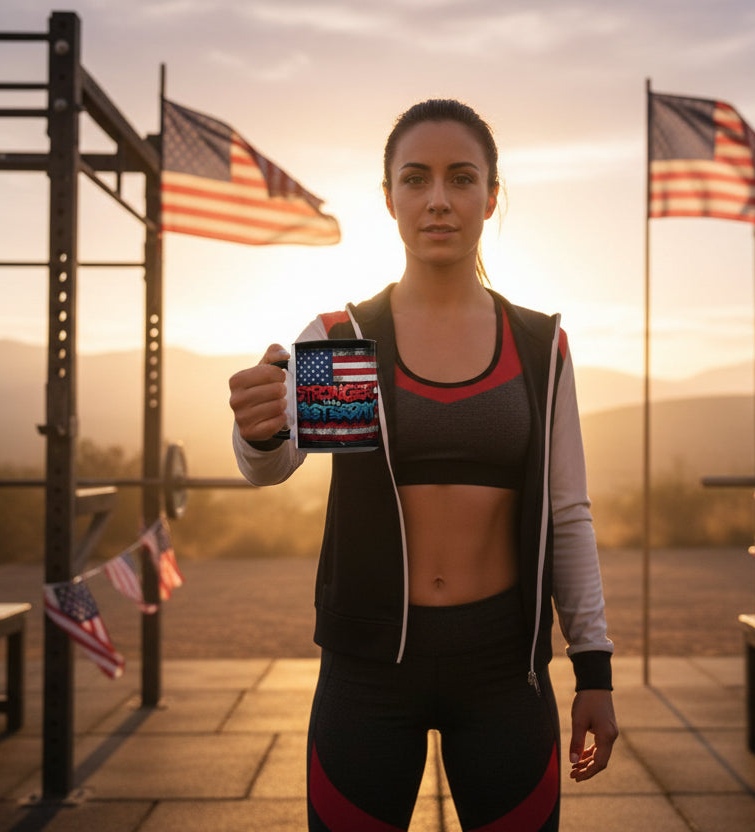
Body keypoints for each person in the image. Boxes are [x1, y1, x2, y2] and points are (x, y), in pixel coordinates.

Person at [228, 98, 617, 832]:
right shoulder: (349, 337)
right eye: (416, 179)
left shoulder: (539, 347)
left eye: (461, 178)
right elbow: (271, 469)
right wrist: (260, 432)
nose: (438, 199)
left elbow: (568, 512)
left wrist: (592, 669)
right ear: (390, 198)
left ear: (491, 197)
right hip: (369, 668)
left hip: (505, 669)